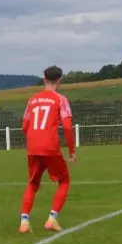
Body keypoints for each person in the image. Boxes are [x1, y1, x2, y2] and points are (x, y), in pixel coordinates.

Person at [19, 65, 77, 234]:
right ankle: (52, 219)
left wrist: (34, 139)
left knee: (33, 183)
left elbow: (24, 125)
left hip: (33, 147)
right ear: (59, 80)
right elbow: (67, 127)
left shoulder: (32, 100)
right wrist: (72, 151)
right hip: (50, 147)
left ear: (44, 79)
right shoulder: (60, 99)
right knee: (64, 181)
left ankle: (24, 222)